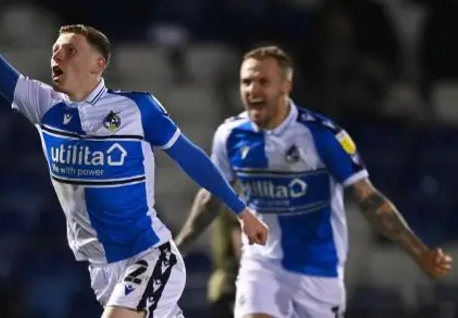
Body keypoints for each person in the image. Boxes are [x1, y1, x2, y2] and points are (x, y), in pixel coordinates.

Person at [0, 0, 269, 318]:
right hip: (100, 269)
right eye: (54, 49)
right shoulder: (44, 106)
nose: (56, 55)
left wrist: (241, 211)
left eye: (69, 50)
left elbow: (190, 157)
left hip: (148, 255)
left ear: (98, 64)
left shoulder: (136, 108)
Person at [175, 46, 453, 318]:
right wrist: (177, 248)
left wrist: (419, 252)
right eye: (246, 81)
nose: (252, 90)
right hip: (261, 266)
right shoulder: (230, 135)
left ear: (286, 86)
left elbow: (369, 199)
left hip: (316, 272)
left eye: (263, 81)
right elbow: (210, 197)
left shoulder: (322, 135)